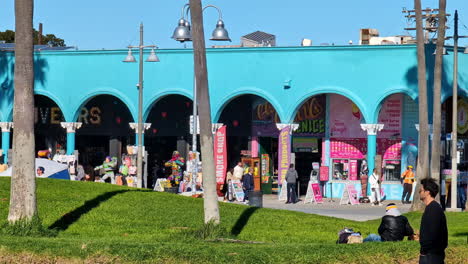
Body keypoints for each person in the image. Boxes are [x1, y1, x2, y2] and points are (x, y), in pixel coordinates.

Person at [418, 178, 448, 264]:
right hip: (432, 255)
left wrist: (424, 252)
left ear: (427, 192)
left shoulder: (433, 209)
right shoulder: (432, 208)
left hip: (431, 257)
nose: (419, 192)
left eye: (421, 190)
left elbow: (432, 234)